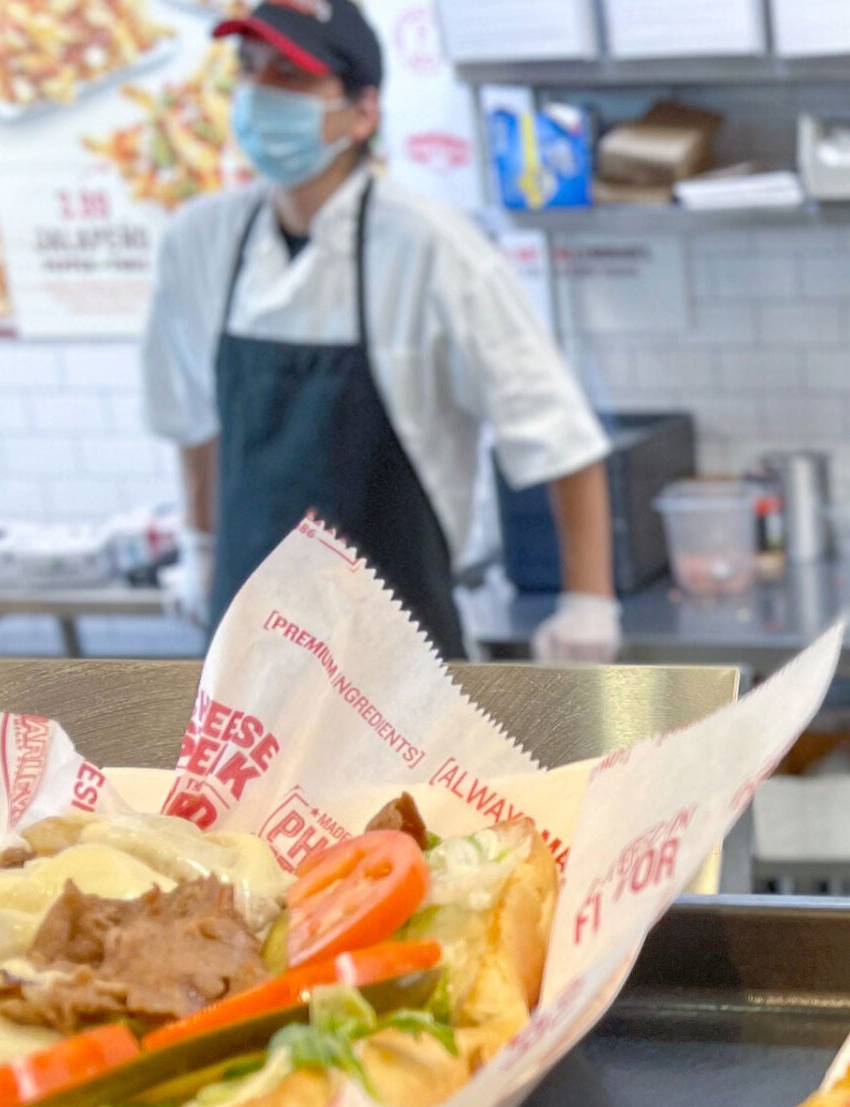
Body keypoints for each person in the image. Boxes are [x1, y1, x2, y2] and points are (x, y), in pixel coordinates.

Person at [144, 0, 619, 663]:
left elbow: (559, 436)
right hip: (251, 660)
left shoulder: (432, 249)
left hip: (400, 663)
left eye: (291, 75)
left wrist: (588, 604)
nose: (259, 92)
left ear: (363, 112)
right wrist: (200, 545)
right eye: (249, 69)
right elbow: (194, 422)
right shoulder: (199, 243)